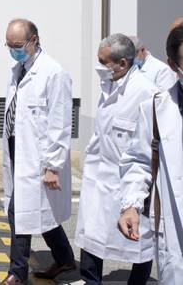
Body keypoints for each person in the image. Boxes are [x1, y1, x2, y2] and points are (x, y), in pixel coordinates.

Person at [75, 34, 157, 284]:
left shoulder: (146, 92)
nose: (98, 66)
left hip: (127, 180)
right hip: (97, 178)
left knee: (139, 244)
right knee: (91, 237)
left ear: (122, 63)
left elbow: (148, 148)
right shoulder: (108, 83)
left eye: (103, 61)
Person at [1, 19, 75, 285]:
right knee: (39, 211)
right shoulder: (18, 70)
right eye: (8, 45)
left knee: (19, 211)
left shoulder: (54, 73)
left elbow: (60, 123)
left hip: (37, 156)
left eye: (17, 45)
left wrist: (53, 165)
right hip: (17, 149)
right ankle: (64, 258)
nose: (13, 50)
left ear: (33, 40)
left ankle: (17, 273)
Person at [119, 25, 183, 284]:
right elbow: (139, 162)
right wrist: (131, 205)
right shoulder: (156, 110)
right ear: (173, 65)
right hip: (176, 231)